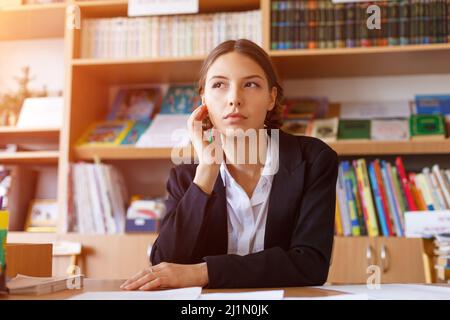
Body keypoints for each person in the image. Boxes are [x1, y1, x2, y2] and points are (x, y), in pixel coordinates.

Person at [121, 39, 338, 290]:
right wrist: (207, 171)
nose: (234, 98)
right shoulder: (186, 175)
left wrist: (203, 273)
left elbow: (311, 264)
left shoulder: (313, 160)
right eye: (219, 85)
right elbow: (165, 264)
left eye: (250, 84)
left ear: (271, 97)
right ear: (203, 99)